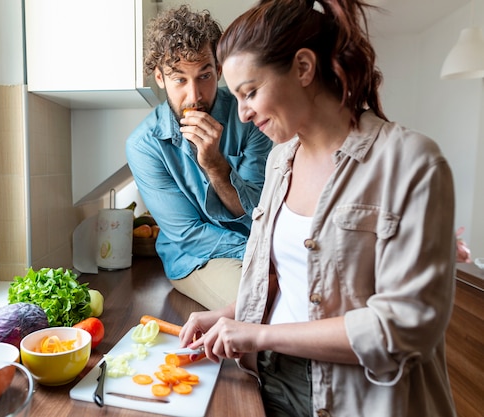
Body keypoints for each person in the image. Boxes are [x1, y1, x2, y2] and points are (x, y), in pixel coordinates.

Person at [178, 1, 457, 416]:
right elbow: (291, 282)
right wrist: (227, 315)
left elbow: (400, 330)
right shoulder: (280, 160)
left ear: (304, 68)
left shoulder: (411, 162)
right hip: (269, 379)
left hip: (358, 396)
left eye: (250, 92)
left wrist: (259, 336)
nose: (243, 111)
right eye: (236, 96)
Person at [125, 5, 272, 310]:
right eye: (180, 79)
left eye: (204, 75)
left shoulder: (250, 117)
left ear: (218, 70)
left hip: (258, 244)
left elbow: (259, 208)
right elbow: (188, 234)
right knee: (257, 306)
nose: (195, 96)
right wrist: (260, 252)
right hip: (194, 257)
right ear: (160, 78)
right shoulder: (144, 146)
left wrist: (216, 166)